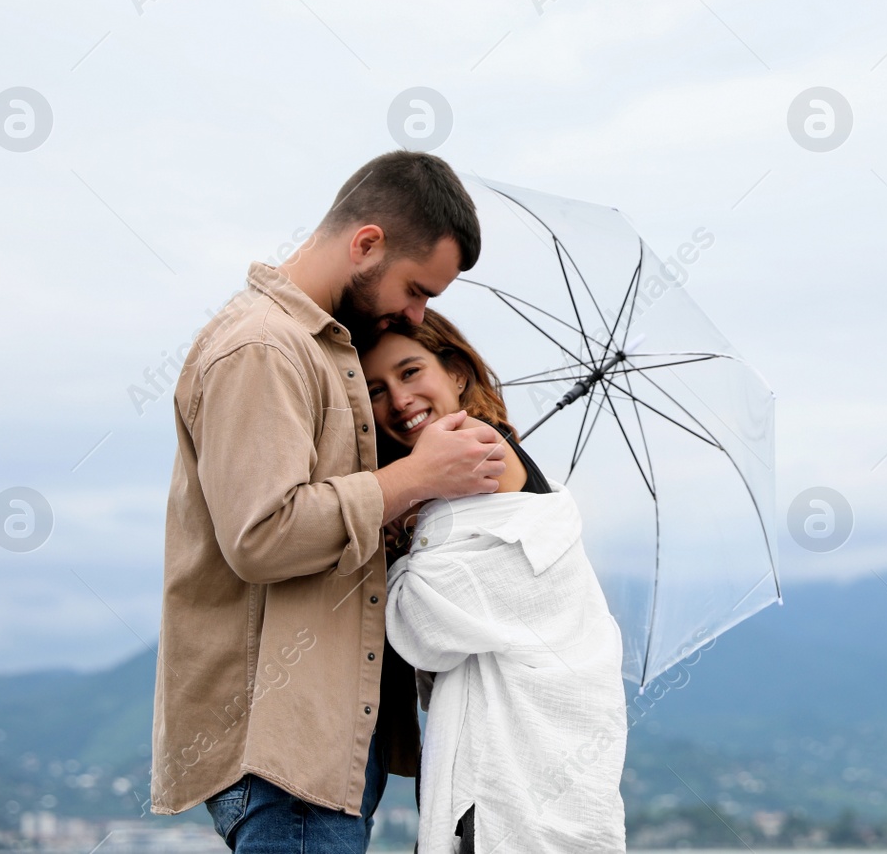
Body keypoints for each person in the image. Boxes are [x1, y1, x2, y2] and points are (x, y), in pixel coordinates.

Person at [151, 150, 510, 854]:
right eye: (417, 289)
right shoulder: (263, 346)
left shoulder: (325, 352)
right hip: (289, 756)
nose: (417, 312)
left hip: (329, 751)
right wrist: (417, 478)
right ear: (367, 243)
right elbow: (263, 534)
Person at [361, 311, 627, 854]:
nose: (399, 399)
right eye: (376, 390)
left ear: (456, 373)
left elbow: (425, 623)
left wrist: (399, 539)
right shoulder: (481, 462)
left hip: (503, 791)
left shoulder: (476, 454)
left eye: (411, 372)